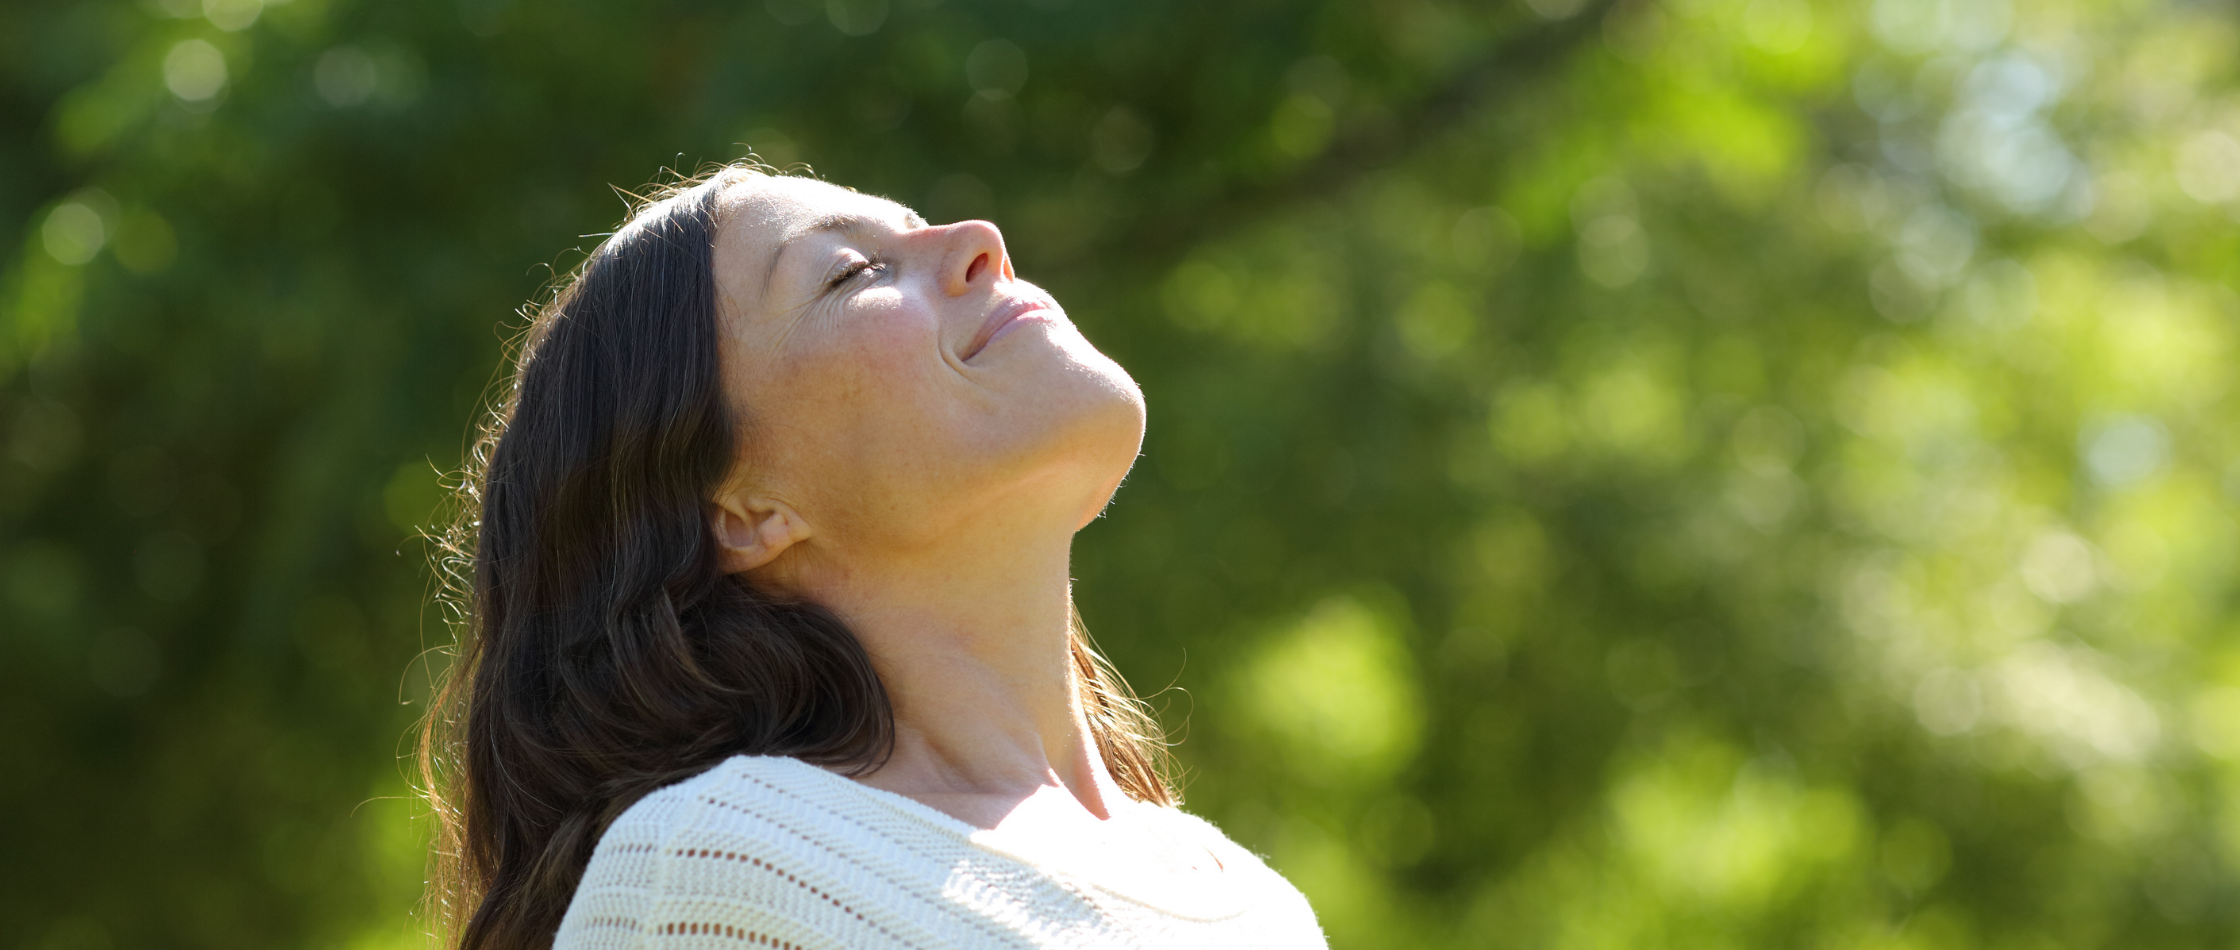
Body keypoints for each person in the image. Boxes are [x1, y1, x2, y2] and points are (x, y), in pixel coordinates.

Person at [421, 163, 1328, 950]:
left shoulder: (1247, 899)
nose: (982, 242)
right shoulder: (722, 874)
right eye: (854, 272)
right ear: (742, 512)